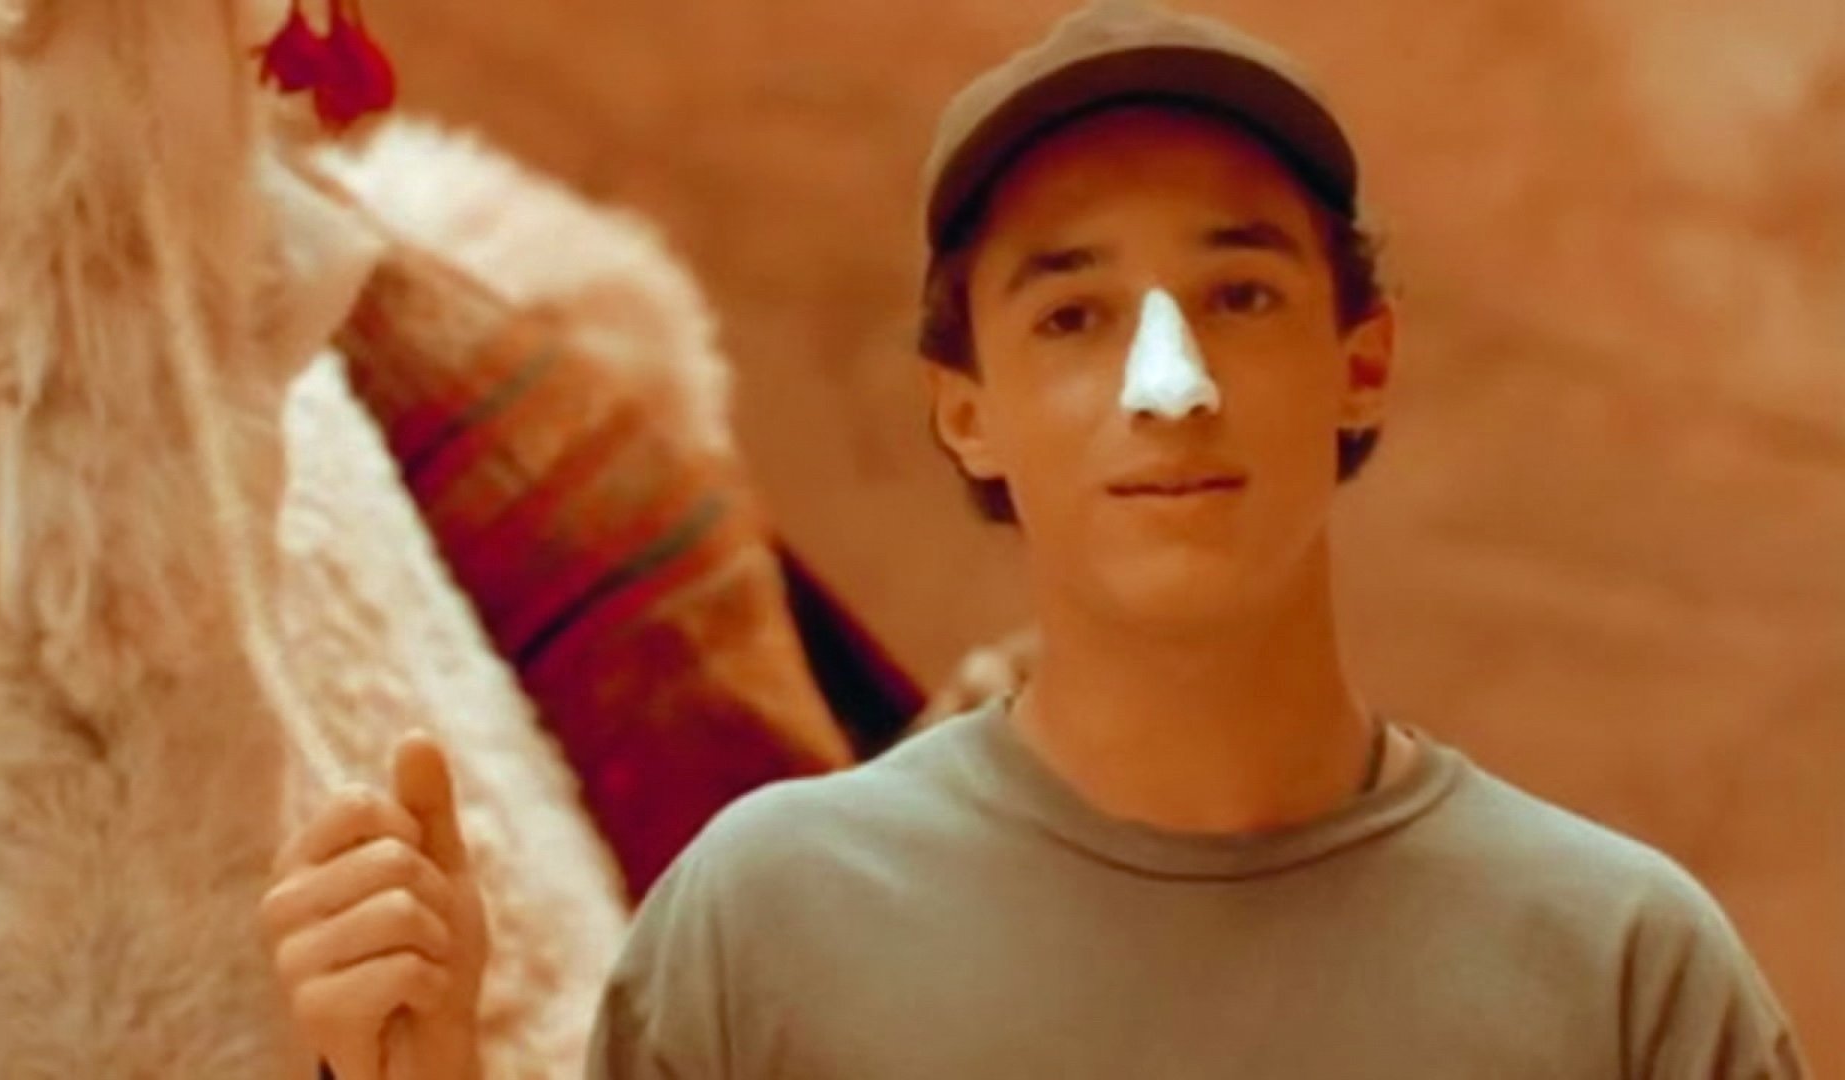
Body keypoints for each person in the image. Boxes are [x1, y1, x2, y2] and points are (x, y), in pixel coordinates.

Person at [259, 3, 1810, 1076]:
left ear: (1362, 363)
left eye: (1240, 294)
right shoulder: (765, 930)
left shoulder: (1623, 971)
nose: (1169, 384)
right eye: (1073, 314)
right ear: (967, 411)